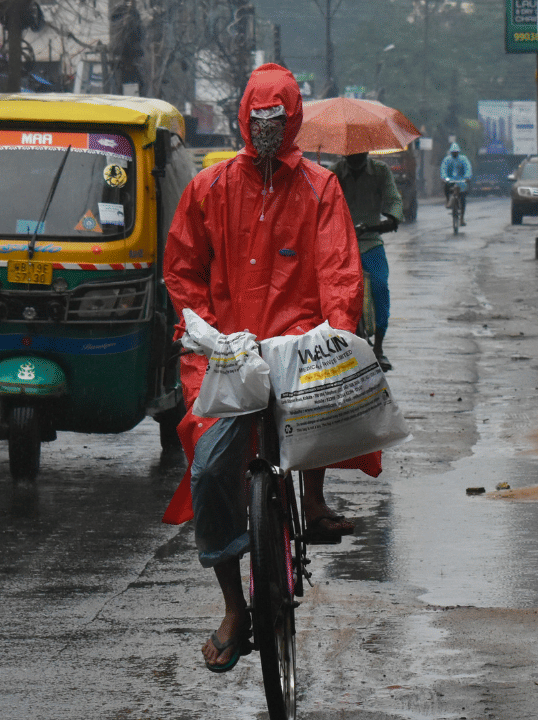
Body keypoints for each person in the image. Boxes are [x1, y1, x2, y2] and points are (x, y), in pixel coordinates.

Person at [163, 63, 370, 674]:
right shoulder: (209, 188)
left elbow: (338, 269)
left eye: (280, 121)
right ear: (246, 122)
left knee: (325, 413)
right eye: (261, 122)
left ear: (294, 119)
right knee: (207, 468)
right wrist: (202, 328)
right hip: (226, 357)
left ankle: (315, 500)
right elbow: (183, 270)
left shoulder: (320, 188)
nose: (271, 131)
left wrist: (337, 332)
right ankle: (233, 606)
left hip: (298, 352)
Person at [330, 152, 403, 371]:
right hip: (340, 245)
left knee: (380, 287)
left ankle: (379, 347)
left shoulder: (380, 171)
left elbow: (393, 200)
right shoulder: (333, 173)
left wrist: (392, 217)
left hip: (370, 241)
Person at [440, 141, 472, 225]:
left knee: (463, 199)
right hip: (450, 180)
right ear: (451, 152)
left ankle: (462, 218)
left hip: (461, 181)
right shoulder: (447, 160)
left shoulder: (463, 159)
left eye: (456, 152)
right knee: (446, 187)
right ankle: (448, 200)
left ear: (458, 152)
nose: (455, 154)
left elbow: (467, 167)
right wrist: (444, 178)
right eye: (453, 152)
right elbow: (443, 169)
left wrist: (467, 177)